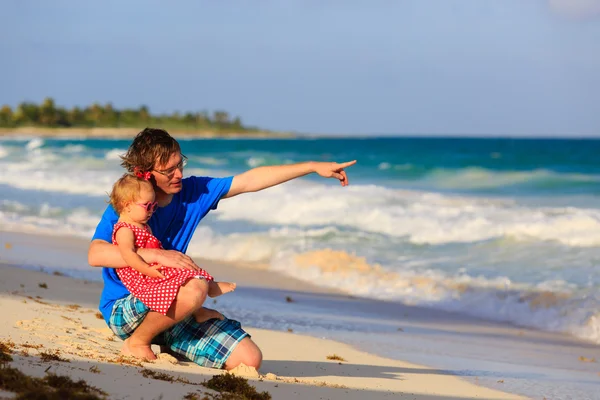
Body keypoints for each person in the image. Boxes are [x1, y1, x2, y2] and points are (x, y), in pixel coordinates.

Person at [88, 127, 356, 370]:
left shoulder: (193, 191)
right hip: (127, 307)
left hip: (175, 306)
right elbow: (96, 254)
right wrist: (156, 254)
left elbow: (249, 180)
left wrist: (311, 166)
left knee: (249, 360)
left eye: (180, 164)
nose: (179, 174)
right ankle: (138, 341)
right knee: (196, 287)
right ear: (145, 174)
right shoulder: (130, 202)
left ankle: (169, 337)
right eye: (169, 170)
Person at [109, 173, 235, 326]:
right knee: (180, 279)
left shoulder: (141, 225)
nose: (151, 211)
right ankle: (203, 300)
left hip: (150, 270)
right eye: (147, 206)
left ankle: (207, 293)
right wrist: (146, 270)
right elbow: (128, 254)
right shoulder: (124, 230)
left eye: (154, 206)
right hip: (142, 276)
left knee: (184, 268)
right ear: (127, 206)